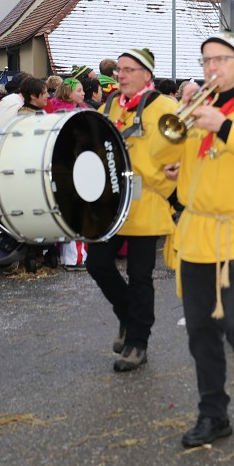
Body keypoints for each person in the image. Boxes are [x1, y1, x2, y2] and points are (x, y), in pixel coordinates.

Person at [150, 30, 234, 448]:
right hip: (197, 231)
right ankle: (213, 414)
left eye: (221, 59)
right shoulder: (199, 106)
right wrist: (181, 116)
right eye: (207, 60)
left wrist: (224, 126)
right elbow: (161, 155)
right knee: (199, 330)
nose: (212, 67)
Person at [85, 47, 178, 369]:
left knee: (140, 276)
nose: (120, 75)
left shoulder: (167, 108)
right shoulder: (110, 105)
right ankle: (127, 316)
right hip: (112, 204)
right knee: (97, 264)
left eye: (128, 69)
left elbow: (176, 162)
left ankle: (138, 343)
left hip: (146, 202)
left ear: (146, 75)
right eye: (119, 69)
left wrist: (156, 182)